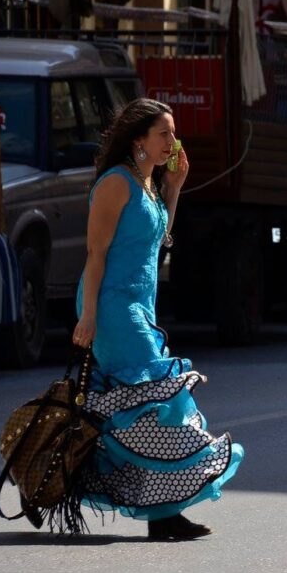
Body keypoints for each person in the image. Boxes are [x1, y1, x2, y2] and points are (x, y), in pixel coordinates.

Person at [71, 98, 243, 540]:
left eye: (173, 133)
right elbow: (95, 254)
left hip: (140, 307)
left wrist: (175, 187)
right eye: (163, 133)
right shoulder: (116, 183)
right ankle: (164, 514)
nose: (172, 141)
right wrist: (88, 316)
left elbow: (159, 239)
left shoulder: (146, 183)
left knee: (140, 409)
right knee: (160, 403)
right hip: (113, 307)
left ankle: (159, 510)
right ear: (138, 140)